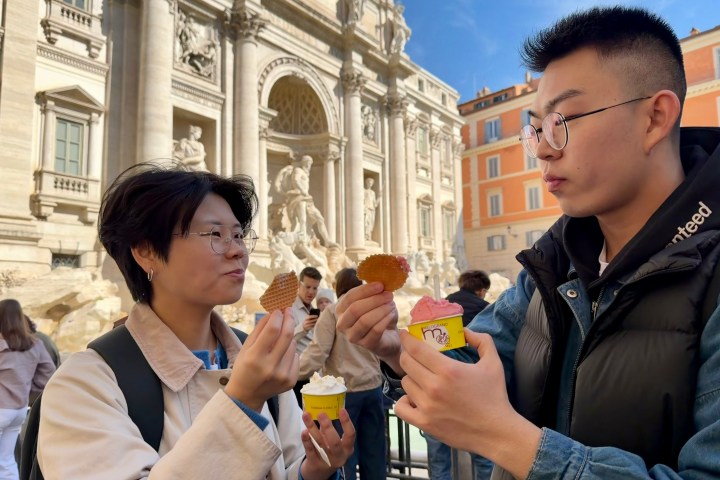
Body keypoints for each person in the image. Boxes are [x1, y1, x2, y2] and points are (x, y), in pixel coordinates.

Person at [335, 6, 720, 479]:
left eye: (564, 120)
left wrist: (504, 437)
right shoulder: (551, 262)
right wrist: (396, 347)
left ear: (655, 117)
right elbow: (474, 354)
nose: (541, 147)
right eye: (534, 128)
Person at [37, 164, 354, 479]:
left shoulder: (254, 356)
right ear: (146, 250)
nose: (239, 252)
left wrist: (314, 470)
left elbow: (288, 465)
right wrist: (242, 401)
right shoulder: (84, 383)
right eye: (216, 234)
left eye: (239, 235)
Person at [299, 269, 385, 480]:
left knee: (343, 456)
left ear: (339, 287)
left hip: (344, 394)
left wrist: (293, 373)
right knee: (375, 454)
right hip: (374, 389)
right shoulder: (373, 311)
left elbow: (318, 353)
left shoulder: (334, 311)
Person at [424, 269, 493, 480]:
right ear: (481, 291)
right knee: (483, 456)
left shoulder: (439, 307)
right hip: (472, 391)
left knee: (438, 458)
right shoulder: (486, 311)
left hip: (434, 386)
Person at [0, 299, 55, 480]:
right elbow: (49, 374)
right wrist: (28, 389)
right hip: (19, 410)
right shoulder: (35, 344)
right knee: (7, 460)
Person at [291, 267, 323, 406]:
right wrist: (301, 329)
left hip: (316, 377)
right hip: (297, 376)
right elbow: (281, 340)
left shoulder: (314, 310)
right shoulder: (289, 309)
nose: (311, 292)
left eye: (315, 288)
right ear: (299, 285)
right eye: (308, 287)